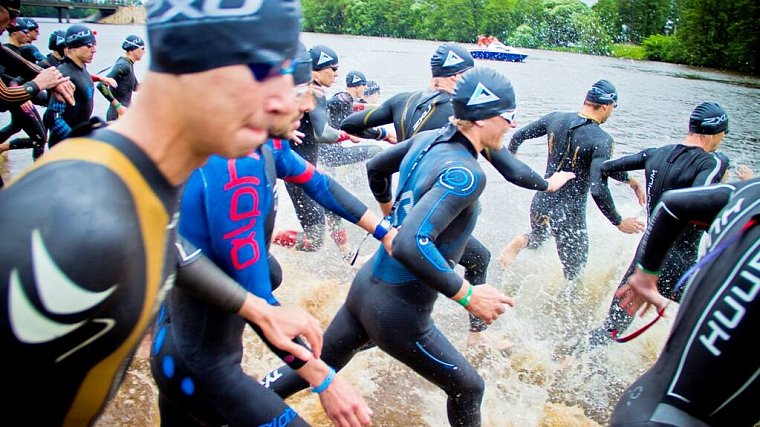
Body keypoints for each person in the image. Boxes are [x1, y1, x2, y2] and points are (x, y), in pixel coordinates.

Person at [0, 1, 332, 425]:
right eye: (259, 73)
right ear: (190, 66)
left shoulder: (147, 188)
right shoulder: (83, 224)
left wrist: (258, 308)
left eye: (286, 81)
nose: (286, 105)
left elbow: (175, 253)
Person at [263, 67, 518, 427]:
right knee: (469, 389)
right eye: (509, 117)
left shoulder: (427, 140)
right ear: (481, 118)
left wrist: (389, 214)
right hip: (398, 313)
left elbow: (376, 168)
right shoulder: (466, 174)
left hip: (365, 291)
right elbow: (412, 243)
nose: (511, 126)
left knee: (311, 369)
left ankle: (226, 407)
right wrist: (467, 295)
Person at [151, 43, 379, 427]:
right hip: (202, 369)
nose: (309, 106)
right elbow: (258, 299)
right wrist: (323, 379)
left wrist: (386, 232)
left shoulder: (264, 147)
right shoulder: (235, 166)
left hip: (180, 349)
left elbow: (320, 184)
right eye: (303, 91)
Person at [341, 43, 574, 346]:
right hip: (435, 211)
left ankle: (357, 330)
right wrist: (548, 184)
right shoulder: (463, 117)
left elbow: (349, 125)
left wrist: (387, 202)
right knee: (465, 265)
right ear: (460, 76)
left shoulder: (404, 100)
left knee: (391, 291)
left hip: (406, 206)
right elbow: (511, 169)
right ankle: (475, 337)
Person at [609, 177, 759, 426]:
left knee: (610, 330)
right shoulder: (714, 166)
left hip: (646, 401)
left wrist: (646, 273)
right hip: (674, 419)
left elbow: (671, 204)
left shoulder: (751, 190)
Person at [585, 102, 731, 347]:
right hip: (680, 266)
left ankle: (567, 365)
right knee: (724, 321)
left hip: (645, 262)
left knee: (610, 330)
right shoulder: (712, 163)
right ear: (717, 133)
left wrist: (618, 210)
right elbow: (697, 202)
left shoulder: (655, 153)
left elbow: (602, 169)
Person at [499, 79, 645, 281]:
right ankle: (563, 310)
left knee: (538, 237)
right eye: (613, 107)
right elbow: (598, 187)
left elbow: (518, 136)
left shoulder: (556, 119)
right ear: (605, 106)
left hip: (542, 200)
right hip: (570, 213)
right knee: (575, 276)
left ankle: (521, 241)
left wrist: (512, 160)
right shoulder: (601, 139)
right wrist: (618, 221)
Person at [274, 44, 366, 258]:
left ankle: (348, 257)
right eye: (333, 68)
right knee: (314, 241)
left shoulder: (306, 90)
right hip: (298, 176)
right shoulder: (314, 92)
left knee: (332, 207)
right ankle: (267, 238)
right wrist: (348, 135)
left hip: (304, 169)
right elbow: (322, 133)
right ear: (318, 69)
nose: (337, 74)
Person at [0, 18, 48, 160]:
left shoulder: (21, 50)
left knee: (15, 126)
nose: (28, 34)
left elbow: (29, 72)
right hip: (16, 98)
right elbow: (2, 76)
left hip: (23, 95)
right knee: (40, 138)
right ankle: (3, 147)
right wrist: (21, 91)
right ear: (14, 33)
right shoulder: (6, 50)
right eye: (25, 31)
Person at [46, 24, 100, 147]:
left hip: (78, 144)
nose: (94, 50)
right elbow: (53, 117)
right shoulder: (64, 75)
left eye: (94, 45)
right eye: (89, 45)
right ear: (73, 48)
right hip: (63, 149)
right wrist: (74, 140)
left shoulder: (81, 68)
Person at [96, 35, 144, 121]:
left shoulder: (129, 64)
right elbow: (101, 85)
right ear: (133, 49)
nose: (144, 52)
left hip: (126, 113)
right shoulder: (123, 65)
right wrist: (118, 106)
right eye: (142, 48)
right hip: (117, 115)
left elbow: (135, 87)